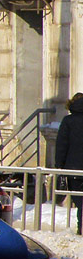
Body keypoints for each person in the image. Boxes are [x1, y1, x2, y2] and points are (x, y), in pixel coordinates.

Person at [55, 93, 83, 235]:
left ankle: (81, 227)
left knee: (79, 200)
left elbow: (62, 145)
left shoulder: (68, 121)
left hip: (73, 168)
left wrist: (59, 166)